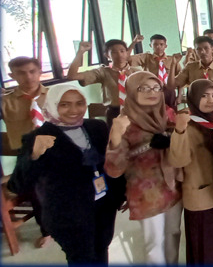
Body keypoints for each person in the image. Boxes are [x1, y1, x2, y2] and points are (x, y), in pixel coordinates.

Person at [8, 84, 125, 265]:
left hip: (102, 206)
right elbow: (17, 185)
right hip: (68, 215)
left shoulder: (96, 127)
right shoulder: (38, 137)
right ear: (53, 105)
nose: (74, 110)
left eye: (80, 103)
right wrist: (34, 155)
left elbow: (110, 163)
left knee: (101, 248)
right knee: (82, 257)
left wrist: (120, 195)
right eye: (64, 104)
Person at [104, 71, 182, 264]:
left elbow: (183, 141)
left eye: (156, 87)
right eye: (144, 88)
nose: (152, 92)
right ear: (131, 91)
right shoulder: (125, 122)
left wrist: (174, 136)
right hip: (146, 192)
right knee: (154, 243)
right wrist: (115, 139)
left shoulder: (168, 113)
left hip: (172, 186)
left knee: (173, 233)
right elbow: (114, 169)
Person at [168, 79, 213, 264]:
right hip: (200, 193)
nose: (210, 100)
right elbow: (178, 160)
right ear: (194, 98)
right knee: (206, 245)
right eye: (204, 96)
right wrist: (179, 131)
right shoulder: (186, 124)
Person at [1, 56, 51, 247]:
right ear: (11, 75)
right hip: (28, 154)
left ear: (39, 72)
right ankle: (47, 230)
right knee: (37, 190)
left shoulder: (56, 95)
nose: (28, 77)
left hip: (58, 148)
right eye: (21, 73)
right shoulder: (5, 102)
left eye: (32, 71)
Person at [67, 39, 142, 125]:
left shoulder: (138, 72)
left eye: (122, 51)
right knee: (116, 137)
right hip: (115, 112)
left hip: (137, 110)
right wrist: (80, 52)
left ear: (127, 52)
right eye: (114, 52)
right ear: (107, 55)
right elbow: (72, 76)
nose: (119, 54)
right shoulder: (103, 72)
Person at [174, 36, 213, 117]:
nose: (202, 52)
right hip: (196, 109)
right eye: (198, 49)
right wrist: (173, 64)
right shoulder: (190, 67)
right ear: (195, 51)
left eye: (206, 48)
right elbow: (175, 84)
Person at [129, 34, 183, 109]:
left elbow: (180, 79)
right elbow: (127, 59)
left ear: (165, 46)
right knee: (153, 113)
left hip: (168, 91)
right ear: (150, 45)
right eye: (155, 44)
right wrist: (134, 43)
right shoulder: (146, 58)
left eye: (161, 44)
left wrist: (179, 95)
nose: (158, 47)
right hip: (151, 90)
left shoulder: (172, 59)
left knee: (171, 115)